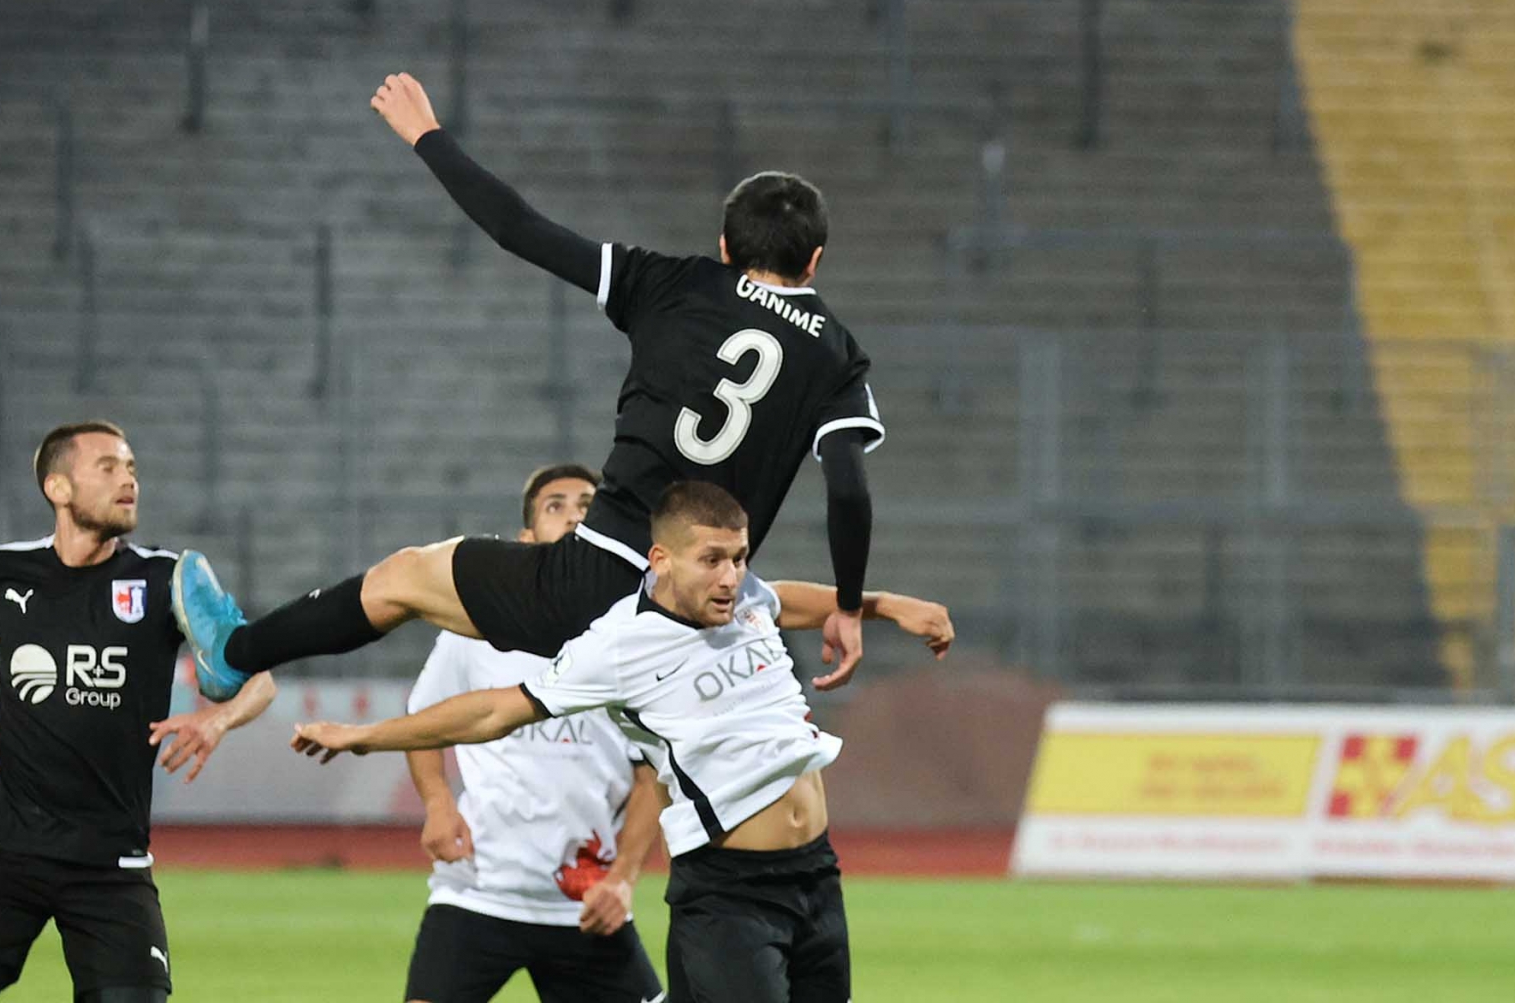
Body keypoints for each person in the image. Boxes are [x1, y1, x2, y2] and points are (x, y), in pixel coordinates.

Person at [173, 71, 890, 705]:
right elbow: (850, 491)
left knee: (403, 580)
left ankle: (233, 654)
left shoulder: (674, 283)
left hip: (598, 579)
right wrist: (850, 607)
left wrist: (427, 136)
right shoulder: (838, 353)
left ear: (725, 246)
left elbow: (518, 228)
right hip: (703, 610)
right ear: (815, 260)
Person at [291, 482, 956, 1003]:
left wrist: (885, 605)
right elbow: (495, 710)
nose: (730, 577)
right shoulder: (619, 643)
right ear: (661, 559)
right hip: (730, 892)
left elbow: (785, 599)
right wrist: (368, 737)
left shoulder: (743, 599)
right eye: (712, 560)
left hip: (816, 874)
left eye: (739, 558)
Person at [0, 420, 278, 1003]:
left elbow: (259, 678)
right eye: (108, 467)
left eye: (132, 468)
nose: (128, 481)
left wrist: (215, 720)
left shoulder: (167, 580)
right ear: (58, 488)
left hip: (111, 865)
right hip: (5, 852)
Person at [403, 463, 665, 1003]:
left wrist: (623, 878)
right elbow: (421, 721)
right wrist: (437, 803)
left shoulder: (634, 641)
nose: (574, 516)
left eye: (587, 507)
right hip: (477, 892)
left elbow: (651, 776)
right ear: (526, 539)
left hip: (584, 902)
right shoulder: (475, 632)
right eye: (555, 505)